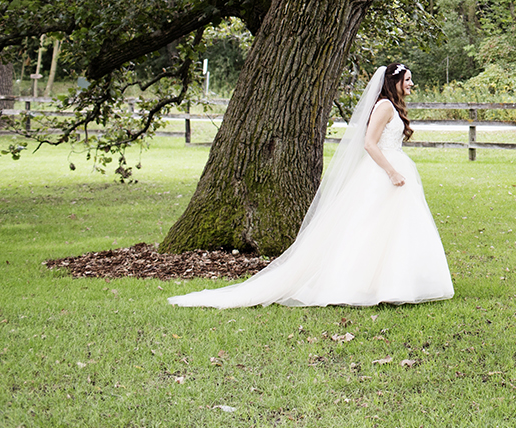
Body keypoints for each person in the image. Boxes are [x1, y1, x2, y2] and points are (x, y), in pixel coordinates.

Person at [169, 64, 453, 308]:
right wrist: (391, 172)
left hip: (395, 170)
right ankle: (361, 284)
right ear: (395, 82)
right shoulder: (384, 106)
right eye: (408, 80)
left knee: (395, 229)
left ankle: (394, 284)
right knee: (370, 227)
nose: (412, 84)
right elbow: (369, 143)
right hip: (383, 172)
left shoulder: (393, 106)